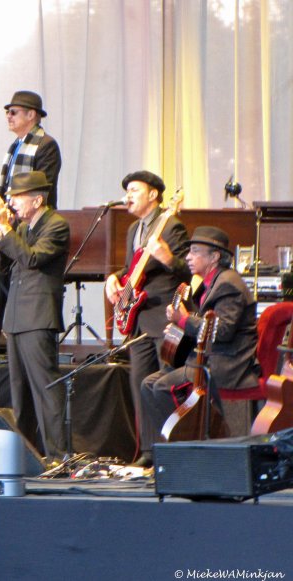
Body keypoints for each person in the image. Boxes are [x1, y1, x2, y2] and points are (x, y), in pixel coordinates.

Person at [139, 226, 260, 464]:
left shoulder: (228, 284)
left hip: (226, 363)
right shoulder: (210, 283)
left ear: (214, 257)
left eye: (195, 252)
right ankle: (170, 448)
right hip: (207, 358)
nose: (187, 257)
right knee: (148, 384)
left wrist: (183, 320)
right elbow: (206, 326)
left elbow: (222, 332)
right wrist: (182, 327)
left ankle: (191, 444)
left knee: (163, 387)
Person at [104, 171, 190, 466]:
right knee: (139, 383)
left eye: (134, 190)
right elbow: (132, 269)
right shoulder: (133, 230)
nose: (127, 196)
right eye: (126, 191)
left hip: (165, 319)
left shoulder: (172, 227)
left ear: (153, 195)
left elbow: (187, 273)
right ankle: (149, 452)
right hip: (139, 320)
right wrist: (112, 279)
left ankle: (171, 450)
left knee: (164, 385)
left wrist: (167, 259)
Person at [0, 90, 62, 356]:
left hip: (32, 226)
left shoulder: (46, 145)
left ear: (31, 115)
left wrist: (8, 218)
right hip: (11, 223)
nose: (8, 117)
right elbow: (4, 190)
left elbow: (37, 190)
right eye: (7, 112)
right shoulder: (14, 148)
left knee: (7, 281)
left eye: (13, 112)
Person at [0, 171, 69, 460]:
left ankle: (57, 455)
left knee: (45, 389)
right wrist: (3, 232)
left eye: (17, 198)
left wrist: (7, 232)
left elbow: (33, 259)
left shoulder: (56, 225)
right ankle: (26, 456)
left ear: (37, 199)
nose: (12, 203)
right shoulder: (20, 228)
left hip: (38, 317)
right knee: (19, 394)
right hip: (16, 317)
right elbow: (6, 268)